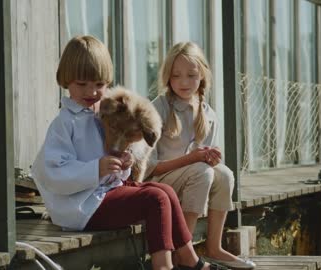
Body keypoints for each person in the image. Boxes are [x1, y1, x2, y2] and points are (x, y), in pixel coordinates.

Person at [31, 35, 224, 270]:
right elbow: (53, 173)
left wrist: (125, 163)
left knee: (164, 191)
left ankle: (189, 258)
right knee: (156, 199)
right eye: (82, 84)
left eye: (99, 84)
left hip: (103, 194)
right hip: (81, 207)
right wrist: (97, 168)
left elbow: (113, 160)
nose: (92, 92)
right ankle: (163, 266)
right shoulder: (64, 123)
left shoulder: (100, 114)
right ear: (66, 80)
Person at [146, 42, 256, 269]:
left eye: (191, 75)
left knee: (224, 174)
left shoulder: (208, 113)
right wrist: (194, 159)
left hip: (193, 182)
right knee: (201, 171)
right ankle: (182, 251)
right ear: (167, 77)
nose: (184, 82)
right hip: (159, 185)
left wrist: (211, 157)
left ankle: (214, 247)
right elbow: (149, 168)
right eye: (176, 76)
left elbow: (207, 163)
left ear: (202, 75)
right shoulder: (158, 108)